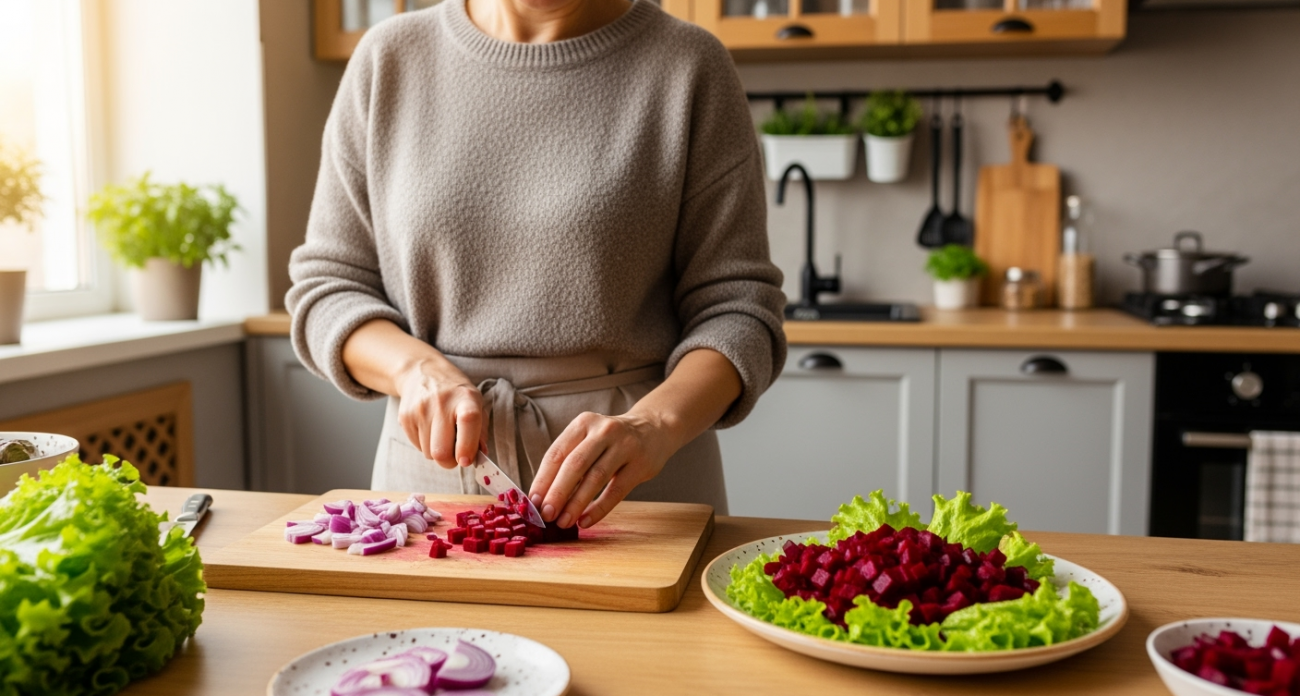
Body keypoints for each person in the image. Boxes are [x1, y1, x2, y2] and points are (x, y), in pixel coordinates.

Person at [286, 0, 786, 531]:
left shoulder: (690, 66)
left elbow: (740, 311)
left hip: (636, 494)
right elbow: (328, 289)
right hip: (430, 496)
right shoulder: (387, 59)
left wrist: (653, 424)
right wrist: (415, 371)